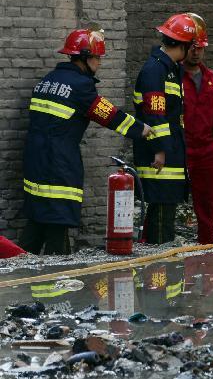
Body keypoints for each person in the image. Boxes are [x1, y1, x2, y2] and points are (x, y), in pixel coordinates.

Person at [21, 28, 152, 254]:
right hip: (58, 163)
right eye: (97, 58)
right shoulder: (80, 86)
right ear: (84, 58)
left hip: (35, 161)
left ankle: (17, 275)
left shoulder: (48, 80)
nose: (99, 63)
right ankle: (58, 282)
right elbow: (108, 114)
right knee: (56, 223)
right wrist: (141, 129)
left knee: (37, 220)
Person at [133, 13, 197, 244]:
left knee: (164, 209)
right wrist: (160, 150)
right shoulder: (155, 70)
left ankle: (157, 265)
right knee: (162, 212)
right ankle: (160, 267)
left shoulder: (169, 69)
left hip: (169, 153)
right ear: (183, 44)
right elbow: (154, 113)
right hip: (159, 157)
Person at [181, 13, 213, 244]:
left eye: (200, 49)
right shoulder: (173, 76)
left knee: (206, 201)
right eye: (192, 48)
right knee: (168, 197)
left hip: (206, 150)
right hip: (181, 148)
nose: (196, 53)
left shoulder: (210, 77)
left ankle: (206, 243)